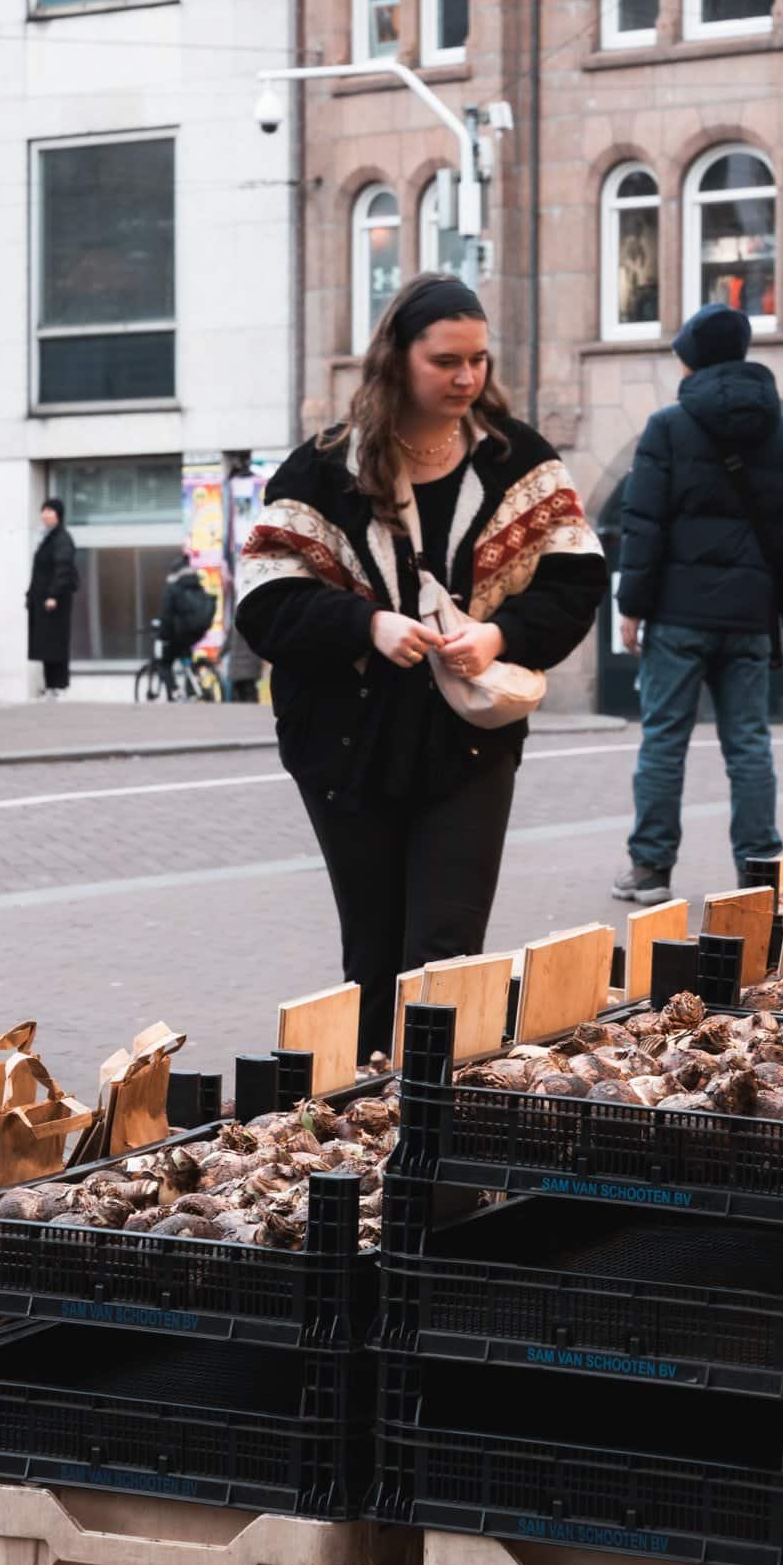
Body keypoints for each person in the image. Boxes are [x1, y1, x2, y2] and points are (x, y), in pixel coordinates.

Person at [236, 272, 607, 1059]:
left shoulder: (519, 463)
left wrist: (499, 636)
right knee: (371, 954)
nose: (467, 377)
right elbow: (264, 602)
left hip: (468, 744)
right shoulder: (321, 470)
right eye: (446, 361)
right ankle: (363, 1124)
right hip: (345, 746)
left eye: (478, 360)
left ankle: (430, 1120)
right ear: (397, 359)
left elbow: (577, 583)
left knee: (446, 949)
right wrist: (364, 623)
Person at [613, 304, 783, 900]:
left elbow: (643, 525)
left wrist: (632, 605)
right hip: (751, 619)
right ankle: (758, 870)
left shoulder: (667, 427)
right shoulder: (780, 432)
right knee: (749, 742)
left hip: (677, 616)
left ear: (690, 357)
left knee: (663, 740)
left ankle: (650, 869)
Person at [28, 498, 79, 699]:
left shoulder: (62, 538)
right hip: (43, 601)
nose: (45, 515)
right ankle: (51, 686)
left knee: (55, 645)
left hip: (55, 603)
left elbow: (63, 568)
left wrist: (53, 595)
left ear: (58, 515)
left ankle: (58, 686)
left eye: (50, 511)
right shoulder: (47, 538)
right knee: (47, 647)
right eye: (43, 511)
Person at [158, 558, 216, 695]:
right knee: (186, 658)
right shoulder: (198, 586)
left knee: (164, 663)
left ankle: (175, 691)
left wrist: (163, 637)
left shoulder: (172, 589)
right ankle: (195, 682)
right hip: (196, 633)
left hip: (177, 635)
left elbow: (166, 616)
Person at [224, 614, 265, 703]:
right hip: (252, 664)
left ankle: (239, 712)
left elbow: (227, 643)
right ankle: (252, 710)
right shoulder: (257, 623)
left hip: (236, 665)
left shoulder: (235, 623)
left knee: (237, 693)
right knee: (250, 692)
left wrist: (219, 656)